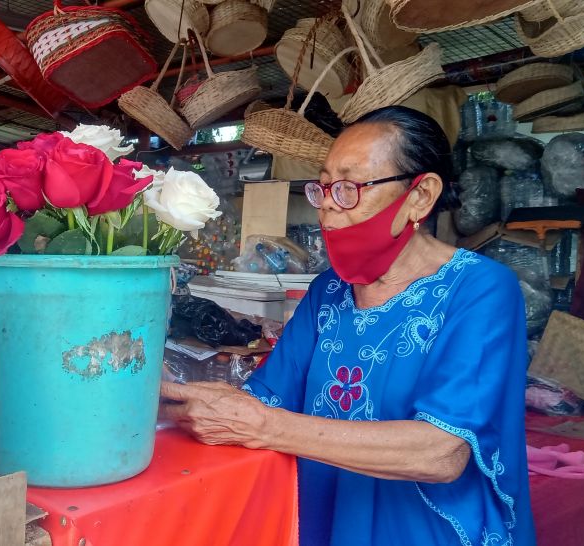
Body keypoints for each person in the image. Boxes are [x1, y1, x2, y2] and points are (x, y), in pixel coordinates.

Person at [161, 106, 535, 546]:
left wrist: (263, 425)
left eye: (349, 189)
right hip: (326, 518)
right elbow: (265, 397)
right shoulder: (329, 291)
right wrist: (183, 391)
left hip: (426, 531)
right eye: (323, 189)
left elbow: (441, 452)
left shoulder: (480, 290)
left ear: (420, 195)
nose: (328, 211)